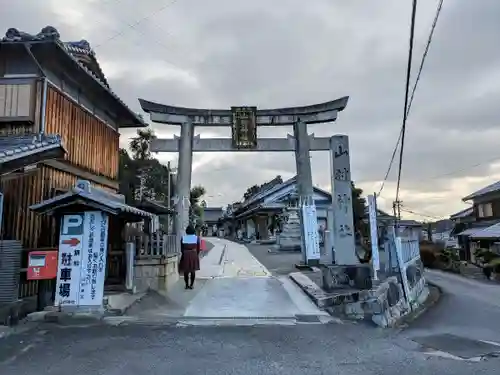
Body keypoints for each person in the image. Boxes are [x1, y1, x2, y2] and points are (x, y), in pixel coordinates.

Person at [179, 225, 201, 289]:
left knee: (186, 271)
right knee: (192, 270)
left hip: (185, 254)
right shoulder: (196, 238)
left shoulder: (183, 238)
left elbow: (181, 248)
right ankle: (191, 285)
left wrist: (184, 253)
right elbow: (198, 248)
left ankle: (186, 285)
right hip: (193, 254)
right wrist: (196, 254)